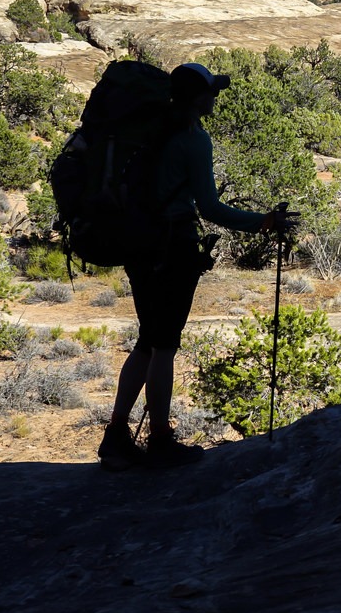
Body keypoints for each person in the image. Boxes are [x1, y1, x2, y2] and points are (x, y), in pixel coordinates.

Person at [97, 62, 288, 470]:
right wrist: (263, 223)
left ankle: (116, 437)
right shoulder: (191, 138)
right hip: (171, 246)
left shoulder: (153, 129)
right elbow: (210, 207)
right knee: (164, 346)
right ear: (196, 98)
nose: (215, 97)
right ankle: (160, 440)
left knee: (148, 342)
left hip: (137, 243)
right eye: (210, 92)